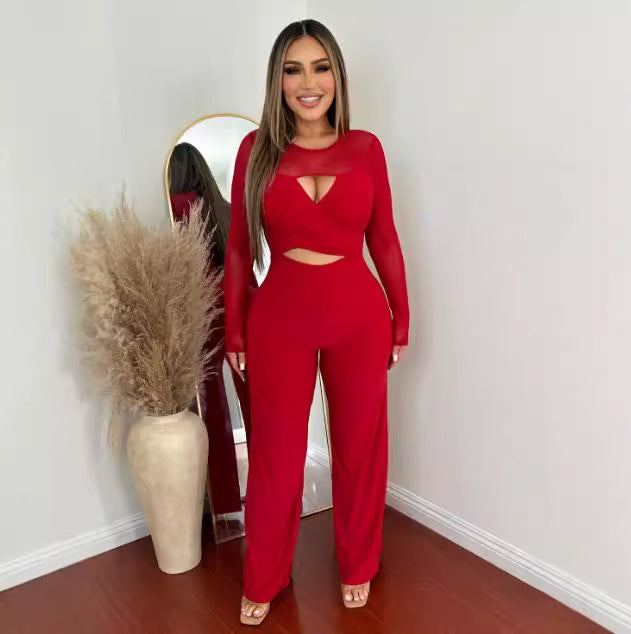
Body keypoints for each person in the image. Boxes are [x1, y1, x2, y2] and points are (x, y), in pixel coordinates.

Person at [223, 19, 410, 626]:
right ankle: (265, 574)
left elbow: (384, 240)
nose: (309, 83)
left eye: (321, 67)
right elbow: (238, 247)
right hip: (280, 317)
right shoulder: (256, 151)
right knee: (276, 454)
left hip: (360, 315)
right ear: (277, 81)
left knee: (360, 448)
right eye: (293, 69)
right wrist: (235, 328)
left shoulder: (366, 149)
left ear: (337, 76)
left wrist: (402, 317)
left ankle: (359, 563)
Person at [168, 142, 258, 516]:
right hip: (243, 301)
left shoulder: (176, 206)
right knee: (256, 402)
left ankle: (224, 501)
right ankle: (269, 491)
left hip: (205, 308)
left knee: (213, 409)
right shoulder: (224, 207)